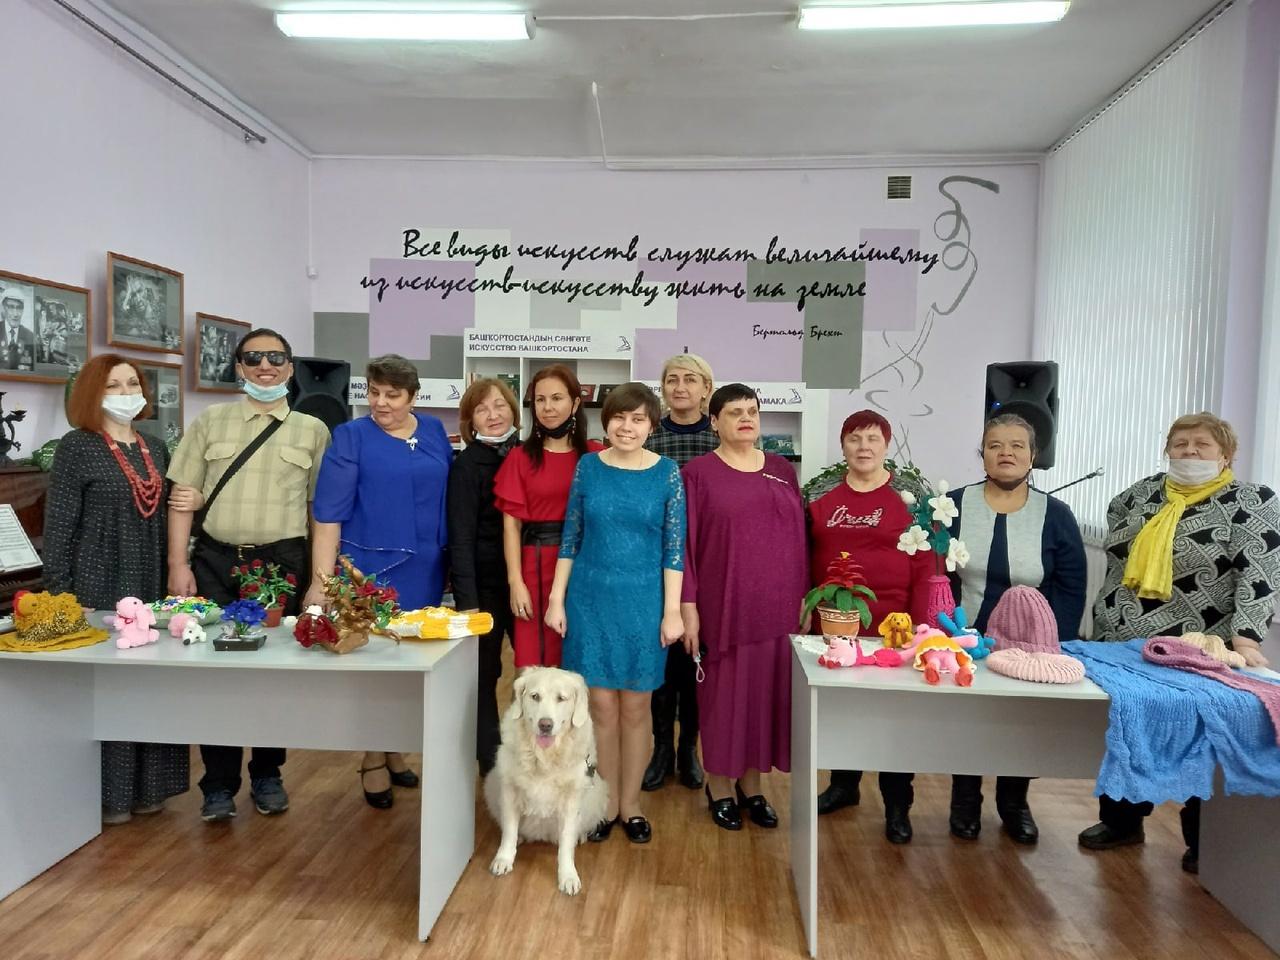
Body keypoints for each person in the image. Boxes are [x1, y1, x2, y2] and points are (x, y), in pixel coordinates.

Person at [1082, 412, 1280, 873]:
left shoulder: (1251, 502)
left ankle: (1202, 839)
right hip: (1124, 641)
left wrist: (1246, 639)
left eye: (1202, 444)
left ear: (1226, 455)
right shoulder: (1137, 496)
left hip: (1201, 647)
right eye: (1180, 443)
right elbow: (1116, 561)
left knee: (1202, 738)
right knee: (1127, 728)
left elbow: (1261, 573)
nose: (1190, 452)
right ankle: (1121, 821)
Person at [166, 328, 330, 823]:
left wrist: (319, 579)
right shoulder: (210, 421)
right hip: (215, 561)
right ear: (239, 367)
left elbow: (320, 511)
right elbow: (182, 498)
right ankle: (217, 784)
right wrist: (178, 565)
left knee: (273, 674)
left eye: (275, 358)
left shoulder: (312, 430)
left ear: (290, 367)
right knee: (215, 673)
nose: (265, 366)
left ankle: (267, 774)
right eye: (253, 358)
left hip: (280, 565)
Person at [44, 354, 198, 825]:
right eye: (113, 385)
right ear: (93, 392)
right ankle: (109, 796)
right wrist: (62, 595)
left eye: (133, 383)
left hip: (150, 580)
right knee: (109, 690)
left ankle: (151, 788)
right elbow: (59, 526)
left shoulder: (156, 447)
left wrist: (195, 503)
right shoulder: (77, 446)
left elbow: (171, 508)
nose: (127, 392)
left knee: (150, 686)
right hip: (97, 581)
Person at [306, 354, 451, 809]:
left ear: (413, 397)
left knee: (411, 666)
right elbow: (327, 514)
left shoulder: (433, 430)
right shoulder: (351, 436)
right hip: (368, 572)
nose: (381, 403)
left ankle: (394, 748)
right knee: (375, 669)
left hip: (427, 568)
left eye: (392, 395)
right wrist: (322, 582)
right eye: (373, 392)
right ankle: (372, 757)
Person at [545, 383, 686, 844]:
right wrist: (556, 598)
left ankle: (632, 805)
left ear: (651, 426)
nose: (627, 427)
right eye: (619, 418)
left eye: (638, 419)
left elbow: (674, 549)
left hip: (644, 603)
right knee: (600, 706)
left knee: (637, 705)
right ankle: (604, 804)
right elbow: (571, 536)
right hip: (590, 599)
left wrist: (672, 611)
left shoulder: (667, 474)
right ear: (606, 422)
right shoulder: (588, 467)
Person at [945, 413, 1087, 844]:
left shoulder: (1056, 514)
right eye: (995, 445)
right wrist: (945, 629)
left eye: (1016, 446)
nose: (1005, 453)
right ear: (982, 454)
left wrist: (1053, 643)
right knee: (967, 723)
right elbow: (938, 574)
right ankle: (964, 802)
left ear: (1033, 455)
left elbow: (1071, 584)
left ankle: (1014, 804)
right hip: (965, 636)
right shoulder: (952, 505)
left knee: (1020, 723)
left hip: (1030, 645)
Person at [681, 383, 807, 831]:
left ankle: (752, 787)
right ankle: (719, 786)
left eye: (752, 411)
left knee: (764, 700)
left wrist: (805, 597)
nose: (746, 418)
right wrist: (688, 606)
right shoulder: (697, 474)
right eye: (734, 412)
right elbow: (684, 546)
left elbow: (799, 538)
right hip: (724, 607)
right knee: (723, 701)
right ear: (714, 422)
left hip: (778, 608)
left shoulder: (781, 469)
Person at [807, 409, 932, 843]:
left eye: (873, 438)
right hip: (836, 623)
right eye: (855, 438)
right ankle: (844, 786)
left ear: (886, 445)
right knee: (843, 710)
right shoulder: (821, 498)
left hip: (894, 626)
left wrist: (921, 627)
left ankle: (897, 804)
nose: (864, 447)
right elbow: (804, 556)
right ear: (843, 445)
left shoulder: (911, 500)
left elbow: (926, 565)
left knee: (894, 717)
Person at [494, 364, 602, 669]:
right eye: (540, 400)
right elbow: (511, 526)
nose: (548, 407)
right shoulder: (520, 457)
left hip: (586, 564)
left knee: (583, 657)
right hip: (536, 564)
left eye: (556, 398)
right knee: (535, 663)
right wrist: (516, 582)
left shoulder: (595, 456)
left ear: (575, 403)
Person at [642, 354, 716, 793]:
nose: (681, 387)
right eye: (672, 379)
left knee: (694, 662)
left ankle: (689, 747)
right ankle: (660, 749)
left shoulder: (718, 437)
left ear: (707, 388)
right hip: (655, 564)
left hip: (707, 563)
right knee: (662, 661)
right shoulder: (649, 437)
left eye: (691, 379)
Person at [448, 377, 521, 775]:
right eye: (482, 409)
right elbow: (460, 538)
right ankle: (489, 761)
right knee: (484, 673)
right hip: (485, 587)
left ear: (513, 410)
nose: (493, 415)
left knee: (534, 672)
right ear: (470, 420)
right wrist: (468, 602)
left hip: (528, 583)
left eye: (499, 406)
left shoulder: (527, 453)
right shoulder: (466, 465)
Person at [1, 286, 35, 370]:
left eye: (19, 308)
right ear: (4, 308)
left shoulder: (30, 337)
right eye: (11, 307)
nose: (15, 314)